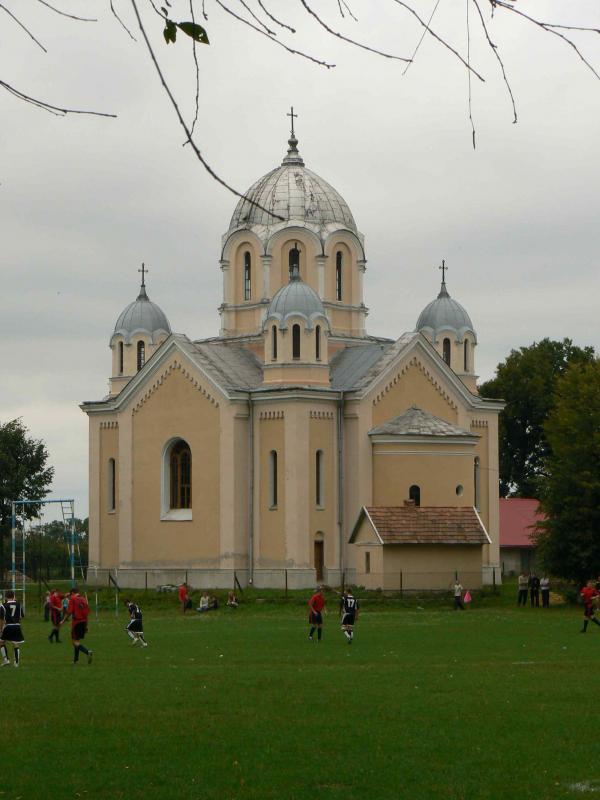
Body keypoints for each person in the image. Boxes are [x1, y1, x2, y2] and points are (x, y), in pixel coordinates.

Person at [61, 587, 93, 664]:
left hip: (77, 623)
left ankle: (87, 652)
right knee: (77, 640)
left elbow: (69, 612)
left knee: (74, 641)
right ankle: (76, 660)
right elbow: (86, 613)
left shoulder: (73, 599)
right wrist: (87, 625)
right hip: (84, 622)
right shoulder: (83, 599)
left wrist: (63, 620)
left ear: (72, 593)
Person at [0, 590, 25, 668]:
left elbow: (1, 619)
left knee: (1, 641)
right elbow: (21, 616)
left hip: (8, 626)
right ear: (13, 596)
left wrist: (1, 629)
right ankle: (16, 663)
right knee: (15, 643)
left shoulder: (3, 606)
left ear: (6, 597)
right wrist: (17, 624)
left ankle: (6, 660)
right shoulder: (18, 605)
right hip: (17, 625)